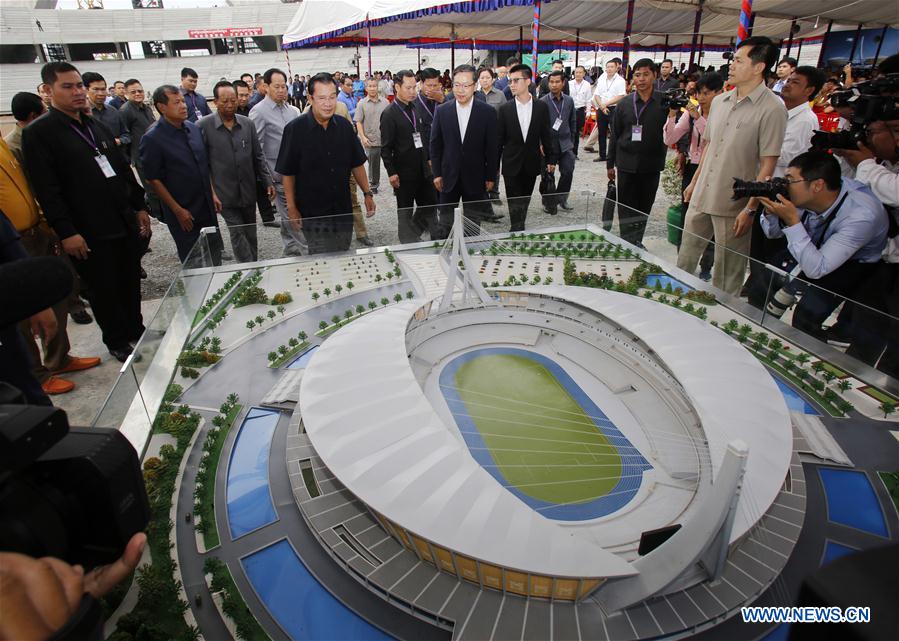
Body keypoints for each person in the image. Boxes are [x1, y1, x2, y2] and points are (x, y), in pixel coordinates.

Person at [24, 62, 150, 363]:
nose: (77, 92)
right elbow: (47, 189)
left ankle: (136, 327)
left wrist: (139, 206)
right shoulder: (40, 133)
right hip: (88, 228)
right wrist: (66, 231)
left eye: (79, 85)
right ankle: (117, 339)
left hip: (121, 219)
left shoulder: (96, 125)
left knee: (129, 279)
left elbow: (121, 170)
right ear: (48, 91)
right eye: (68, 87)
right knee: (103, 286)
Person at [677, 36, 788, 295]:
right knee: (685, 259)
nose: (732, 65)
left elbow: (768, 165)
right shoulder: (719, 102)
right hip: (703, 193)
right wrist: (694, 183)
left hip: (734, 202)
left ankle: (720, 322)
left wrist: (750, 209)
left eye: (739, 61)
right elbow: (709, 147)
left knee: (728, 273)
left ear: (759, 67)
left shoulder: (772, 109)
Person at [1, 135, 101, 396]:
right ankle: (36, 374)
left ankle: (59, 359)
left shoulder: (3, 145)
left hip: (36, 231)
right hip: (12, 241)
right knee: (23, 312)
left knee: (58, 296)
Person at [755, 151, 887, 339]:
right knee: (760, 286)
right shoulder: (806, 196)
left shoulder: (861, 215)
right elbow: (772, 233)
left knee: (806, 315)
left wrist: (792, 221)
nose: (785, 186)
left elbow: (816, 268)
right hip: (814, 243)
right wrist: (771, 211)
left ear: (817, 185)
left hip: (854, 263)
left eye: (790, 180)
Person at [276, 72, 375, 254]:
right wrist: (291, 208)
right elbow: (287, 172)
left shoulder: (344, 127)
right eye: (322, 98)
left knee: (344, 254)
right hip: (313, 214)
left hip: (342, 210)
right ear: (310, 98)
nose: (328, 104)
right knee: (321, 260)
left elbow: (357, 163)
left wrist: (367, 193)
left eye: (332, 97)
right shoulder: (295, 130)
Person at [140, 85, 222, 265]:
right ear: (161, 107)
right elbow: (153, 179)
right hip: (184, 210)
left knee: (215, 254)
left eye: (183, 101)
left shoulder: (193, 128)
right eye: (176, 102)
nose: (183, 106)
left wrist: (213, 193)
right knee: (195, 259)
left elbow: (203, 165)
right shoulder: (152, 138)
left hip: (206, 206)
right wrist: (177, 210)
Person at [198, 81, 273, 263]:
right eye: (224, 101)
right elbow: (202, 165)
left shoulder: (247, 124)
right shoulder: (203, 126)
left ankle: (253, 264)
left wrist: (267, 181)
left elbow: (258, 155)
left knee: (250, 231)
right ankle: (246, 269)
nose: (230, 104)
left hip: (248, 190)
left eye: (233, 100)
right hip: (224, 193)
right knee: (237, 232)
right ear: (215, 102)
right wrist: (212, 192)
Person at [663, 72, 724, 279]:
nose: (703, 97)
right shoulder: (690, 112)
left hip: (714, 170)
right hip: (691, 167)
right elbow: (670, 137)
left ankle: (707, 265)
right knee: (687, 216)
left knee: (710, 218)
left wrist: (698, 119)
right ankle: (684, 263)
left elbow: (716, 140)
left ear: (719, 92)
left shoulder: (723, 114)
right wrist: (672, 115)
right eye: (699, 93)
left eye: (707, 93)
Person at [430, 64, 499, 236]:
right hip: (448, 176)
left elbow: (493, 148)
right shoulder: (442, 110)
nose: (460, 90)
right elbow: (435, 144)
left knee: (472, 224)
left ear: (475, 86)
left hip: (476, 177)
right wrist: (437, 173)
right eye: (456, 85)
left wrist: (491, 176)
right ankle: (444, 256)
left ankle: (470, 256)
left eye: (465, 85)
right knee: (445, 223)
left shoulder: (487, 112)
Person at [607, 58, 668, 247]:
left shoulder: (664, 103)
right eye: (637, 75)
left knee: (644, 207)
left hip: (651, 164)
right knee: (625, 207)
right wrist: (610, 164)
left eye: (646, 74)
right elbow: (615, 135)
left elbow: (673, 131)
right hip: (626, 164)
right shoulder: (625, 104)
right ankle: (627, 242)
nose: (641, 79)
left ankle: (638, 241)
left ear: (654, 75)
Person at [250, 68, 306, 255]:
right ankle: (306, 252)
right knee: (293, 215)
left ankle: (290, 249)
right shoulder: (258, 112)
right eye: (277, 86)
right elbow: (257, 150)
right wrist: (267, 180)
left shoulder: (293, 110)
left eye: (284, 86)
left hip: (298, 173)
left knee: (289, 213)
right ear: (266, 87)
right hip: (278, 176)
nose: (282, 90)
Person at [380, 70, 440, 243]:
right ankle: (407, 241)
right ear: (397, 87)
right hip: (404, 172)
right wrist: (391, 172)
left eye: (415, 87)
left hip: (423, 168)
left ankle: (412, 233)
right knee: (405, 209)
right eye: (408, 87)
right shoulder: (390, 114)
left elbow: (421, 137)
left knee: (430, 203)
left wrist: (428, 159)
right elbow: (386, 148)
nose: (413, 91)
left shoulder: (415, 108)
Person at [497, 64, 556, 231]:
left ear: (528, 81)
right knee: (513, 198)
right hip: (511, 162)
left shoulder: (541, 107)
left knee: (525, 198)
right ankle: (516, 228)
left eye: (516, 80)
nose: (512, 84)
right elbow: (498, 141)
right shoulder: (505, 109)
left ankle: (519, 224)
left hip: (531, 161)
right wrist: (492, 167)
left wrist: (551, 159)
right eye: (510, 81)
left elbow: (546, 134)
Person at [541, 70, 577, 214]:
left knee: (568, 171)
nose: (554, 85)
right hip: (549, 144)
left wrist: (572, 141)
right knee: (547, 175)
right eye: (551, 82)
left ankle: (561, 198)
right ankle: (547, 201)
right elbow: (538, 125)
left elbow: (573, 121)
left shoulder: (569, 100)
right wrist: (540, 143)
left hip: (565, 143)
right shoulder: (543, 101)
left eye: (557, 82)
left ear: (563, 83)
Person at [584, 58, 627, 161]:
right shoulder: (602, 78)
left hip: (614, 108)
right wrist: (602, 106)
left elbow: (621, 96)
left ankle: (613, 155)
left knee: (614, 132)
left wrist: (605, 105)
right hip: (601, 108)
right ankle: (602, 155)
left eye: (612, 67)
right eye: (607, 67)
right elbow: (597, 94)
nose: (609, 69)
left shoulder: (620, 80)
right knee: (601, 133)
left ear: (617, 68)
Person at [81, 72, 130, 157]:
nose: (101, 93)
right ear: (86, 90)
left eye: (103, 89)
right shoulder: (81, 114)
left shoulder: (113, 111)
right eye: (96, 89)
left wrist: (119, 141)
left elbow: (126, 135)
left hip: (119, 158)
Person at [354, 77, 388, 197]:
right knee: (373, 164)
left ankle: (395, 184)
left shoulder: (385, 102)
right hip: (370, 140)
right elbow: (358, 121)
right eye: (370, 86)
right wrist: (362, 137)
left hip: (385, 139)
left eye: (375, 86)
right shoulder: (361, 103)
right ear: (366, 88)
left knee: (391, 162)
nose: (373, 88)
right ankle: (373, 185)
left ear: (378, 87)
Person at [414, 67, 446, 146]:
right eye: (429, 85)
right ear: (421, 84)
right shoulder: (414, 104)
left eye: (435, 85)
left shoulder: (445, 100)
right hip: (424, 149)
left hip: (442, 147)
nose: (432, 89)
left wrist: (443, 101)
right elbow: (414, 133)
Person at [570, 65, 592, 158]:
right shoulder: (569, 83)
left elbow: (588, 99)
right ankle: (567, 152)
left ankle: (574, 153)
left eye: (580, 72)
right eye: (576, 72)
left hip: (580, 111)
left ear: (584, 73)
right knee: (569, 132)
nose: (578, 74)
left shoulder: (587, 85)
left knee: (576, 132)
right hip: (570, 110)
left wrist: (588, 112)